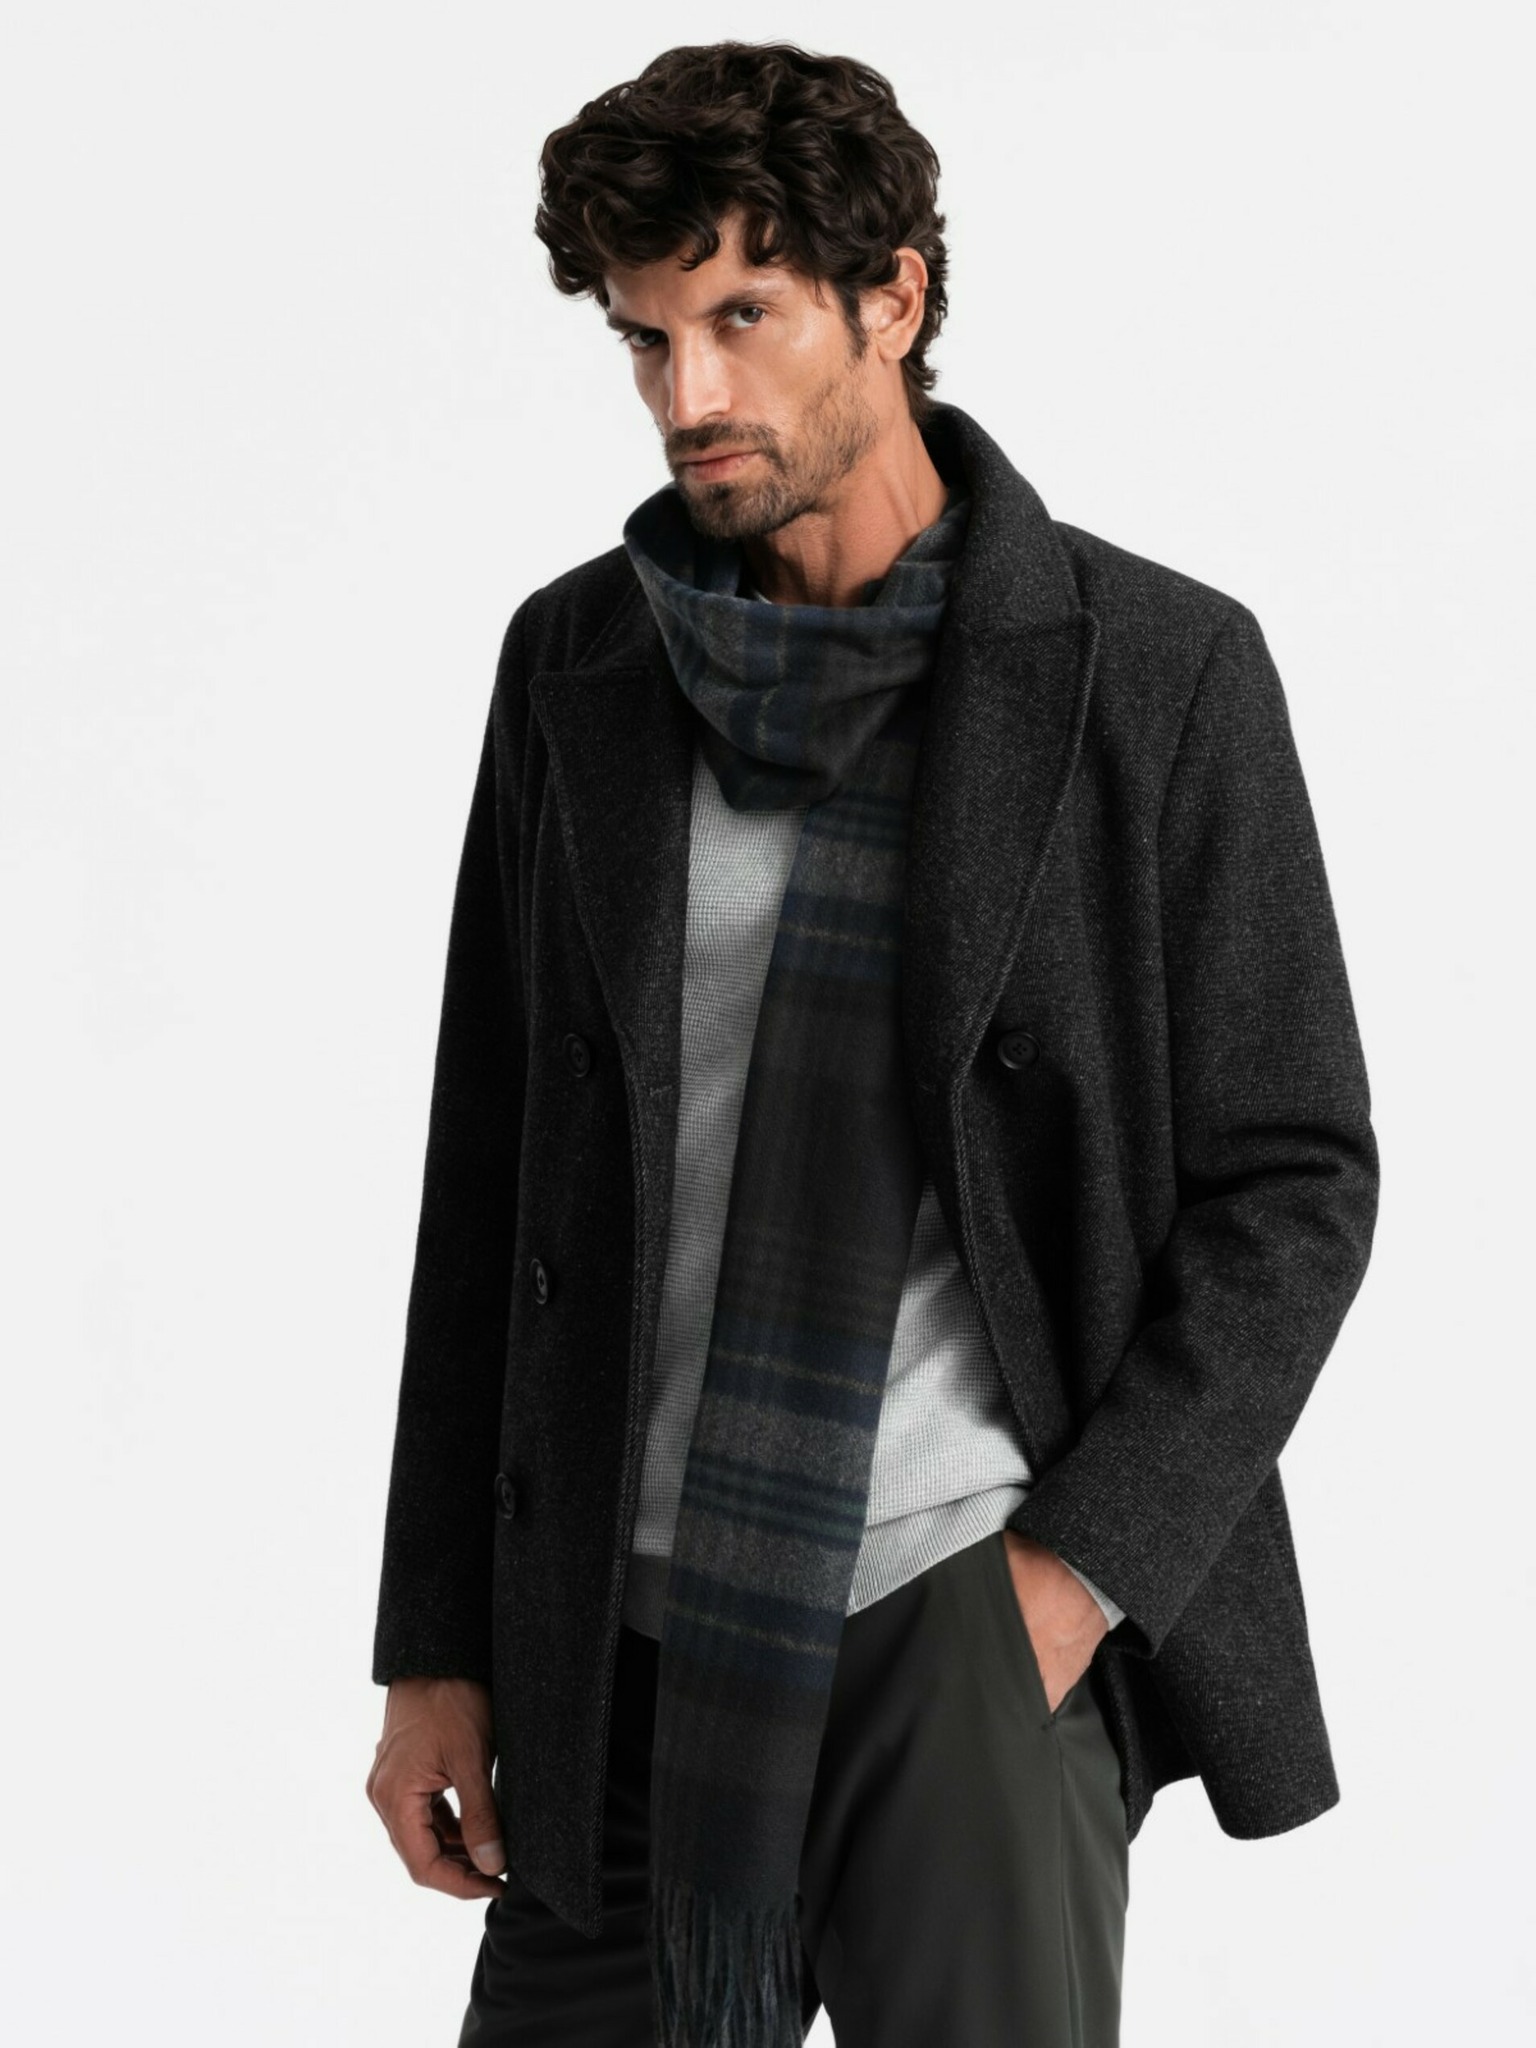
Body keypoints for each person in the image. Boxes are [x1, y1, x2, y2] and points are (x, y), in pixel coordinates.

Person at [365, 39, 1379, 2048]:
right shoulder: (579, 663)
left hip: (962, 1616)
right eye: (646, 336)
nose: (690, 394)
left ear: (893, 296)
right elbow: (494, 1171)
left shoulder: (1155, 672)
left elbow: (1294, 1179)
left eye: (742, 316)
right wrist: (436, 1644)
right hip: (624, 1638)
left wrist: (1074, 1579)